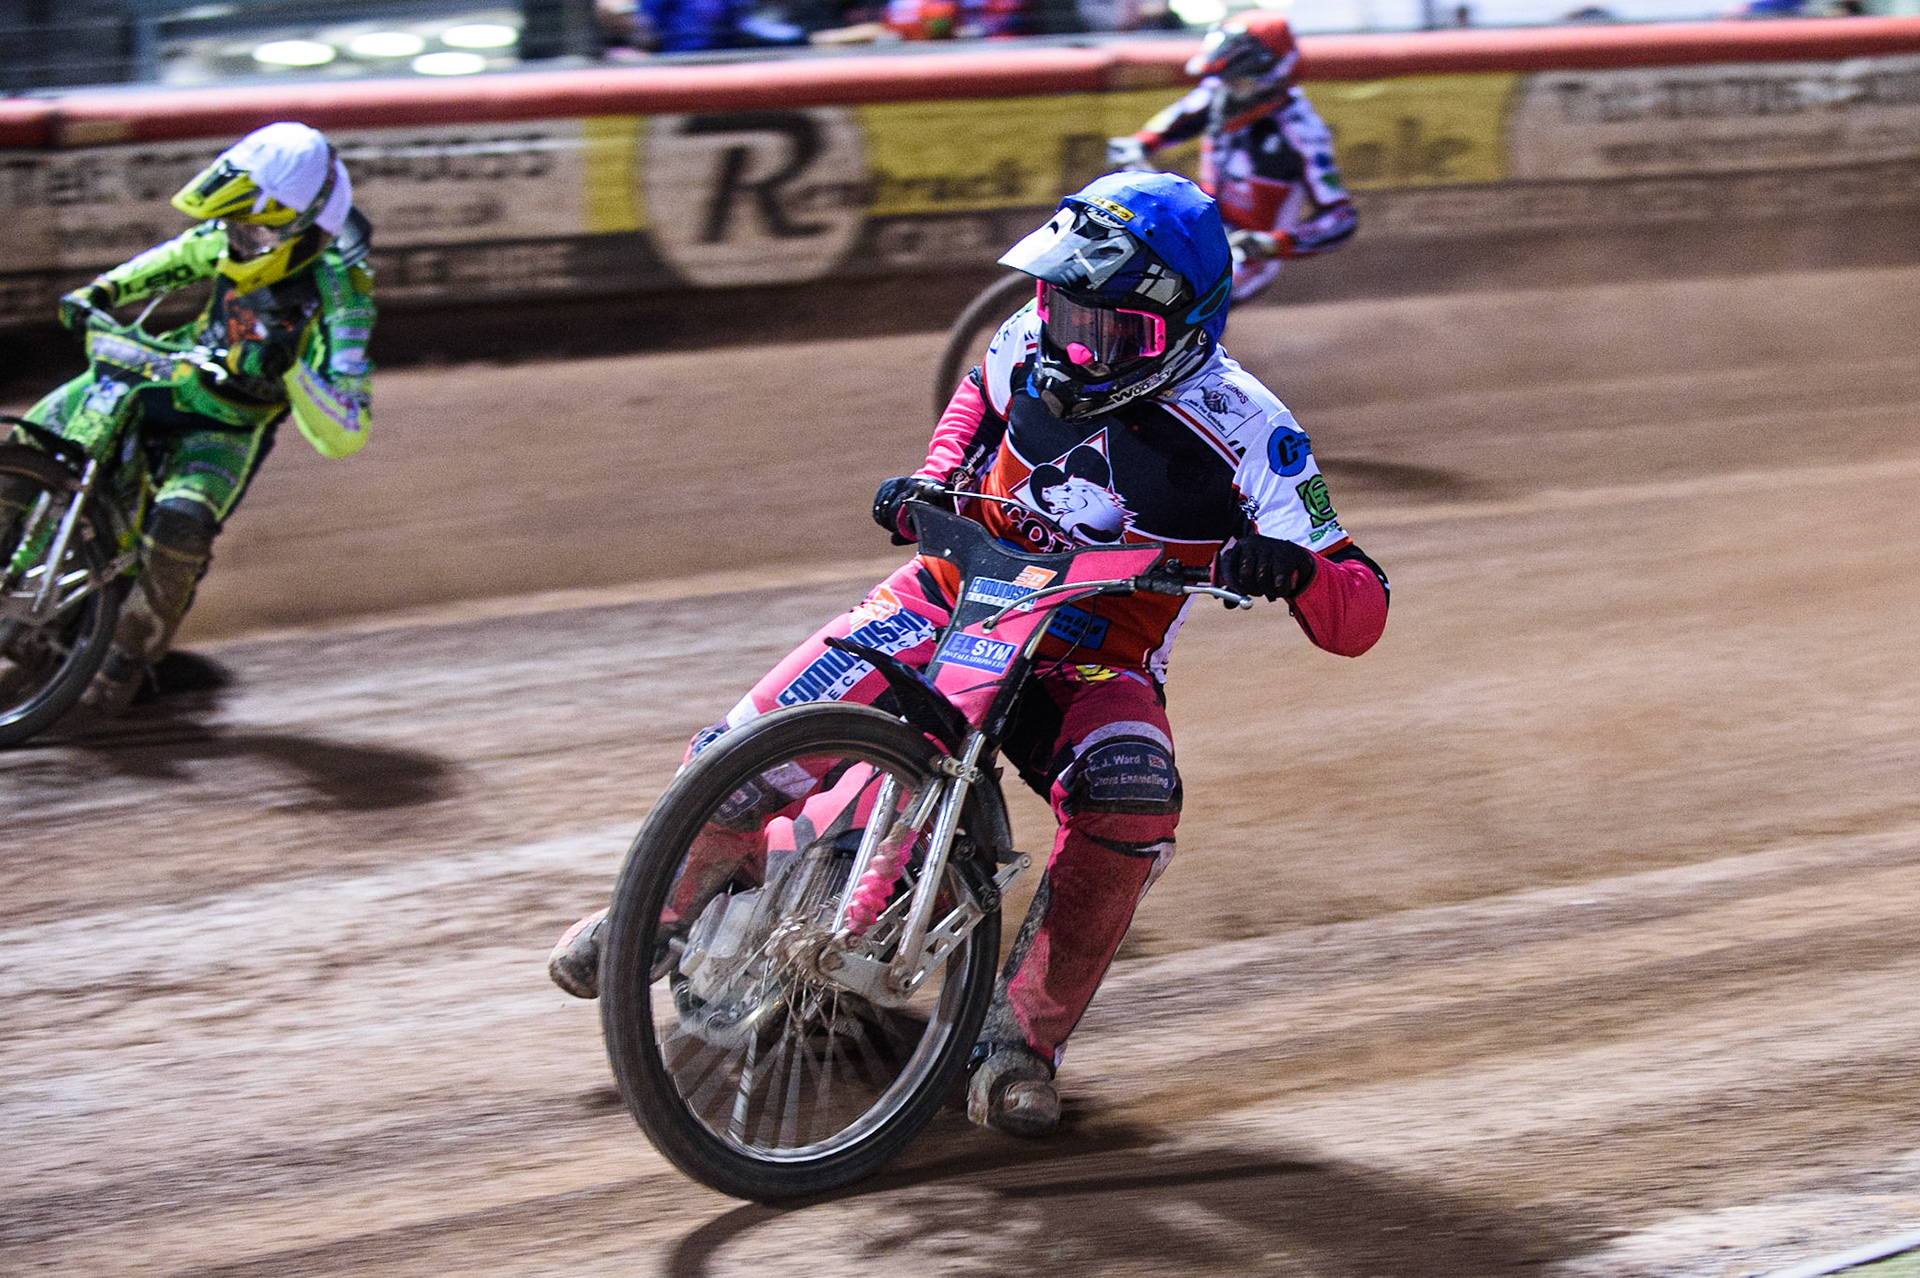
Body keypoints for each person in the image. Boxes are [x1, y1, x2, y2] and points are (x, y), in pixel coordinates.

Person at [550, 171, 1389, 1138]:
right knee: (747, 744)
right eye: (1063, 308)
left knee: (1132, 796)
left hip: (1088, 657)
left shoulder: (1251, 428)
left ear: (1181, 327)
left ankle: (1019, 1041)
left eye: (1108, 327)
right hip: (947, 593)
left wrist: (1295, 570)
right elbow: (972, 405)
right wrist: (934, 477)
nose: (1073, 341)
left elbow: (1360, 605)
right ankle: (654, 909)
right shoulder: (1028, 336)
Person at [11, 122, 374, 713]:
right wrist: (105, 291)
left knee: (181, 522)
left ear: (305, 227)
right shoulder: (238, 235)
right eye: (232, 224)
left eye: (252, 230)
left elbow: (348, 429)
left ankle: (126, 655)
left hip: (226, 425)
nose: (236, 240)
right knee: (37, 435)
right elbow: (186, 253)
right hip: (169, 369)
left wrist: (292, 371)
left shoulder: (343, 290)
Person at [1107, 13, 1355, 302]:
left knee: (1172, 301)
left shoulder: (1302, 132)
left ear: (1271, 73)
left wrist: (1270, 244)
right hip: (1197, 226)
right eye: (1225, 79)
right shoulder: (1220, 91)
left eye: (1238, 80)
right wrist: (1140, 144)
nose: (1227, 87)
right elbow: (1179, 117)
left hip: (1242, 258)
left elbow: (1340, 218)